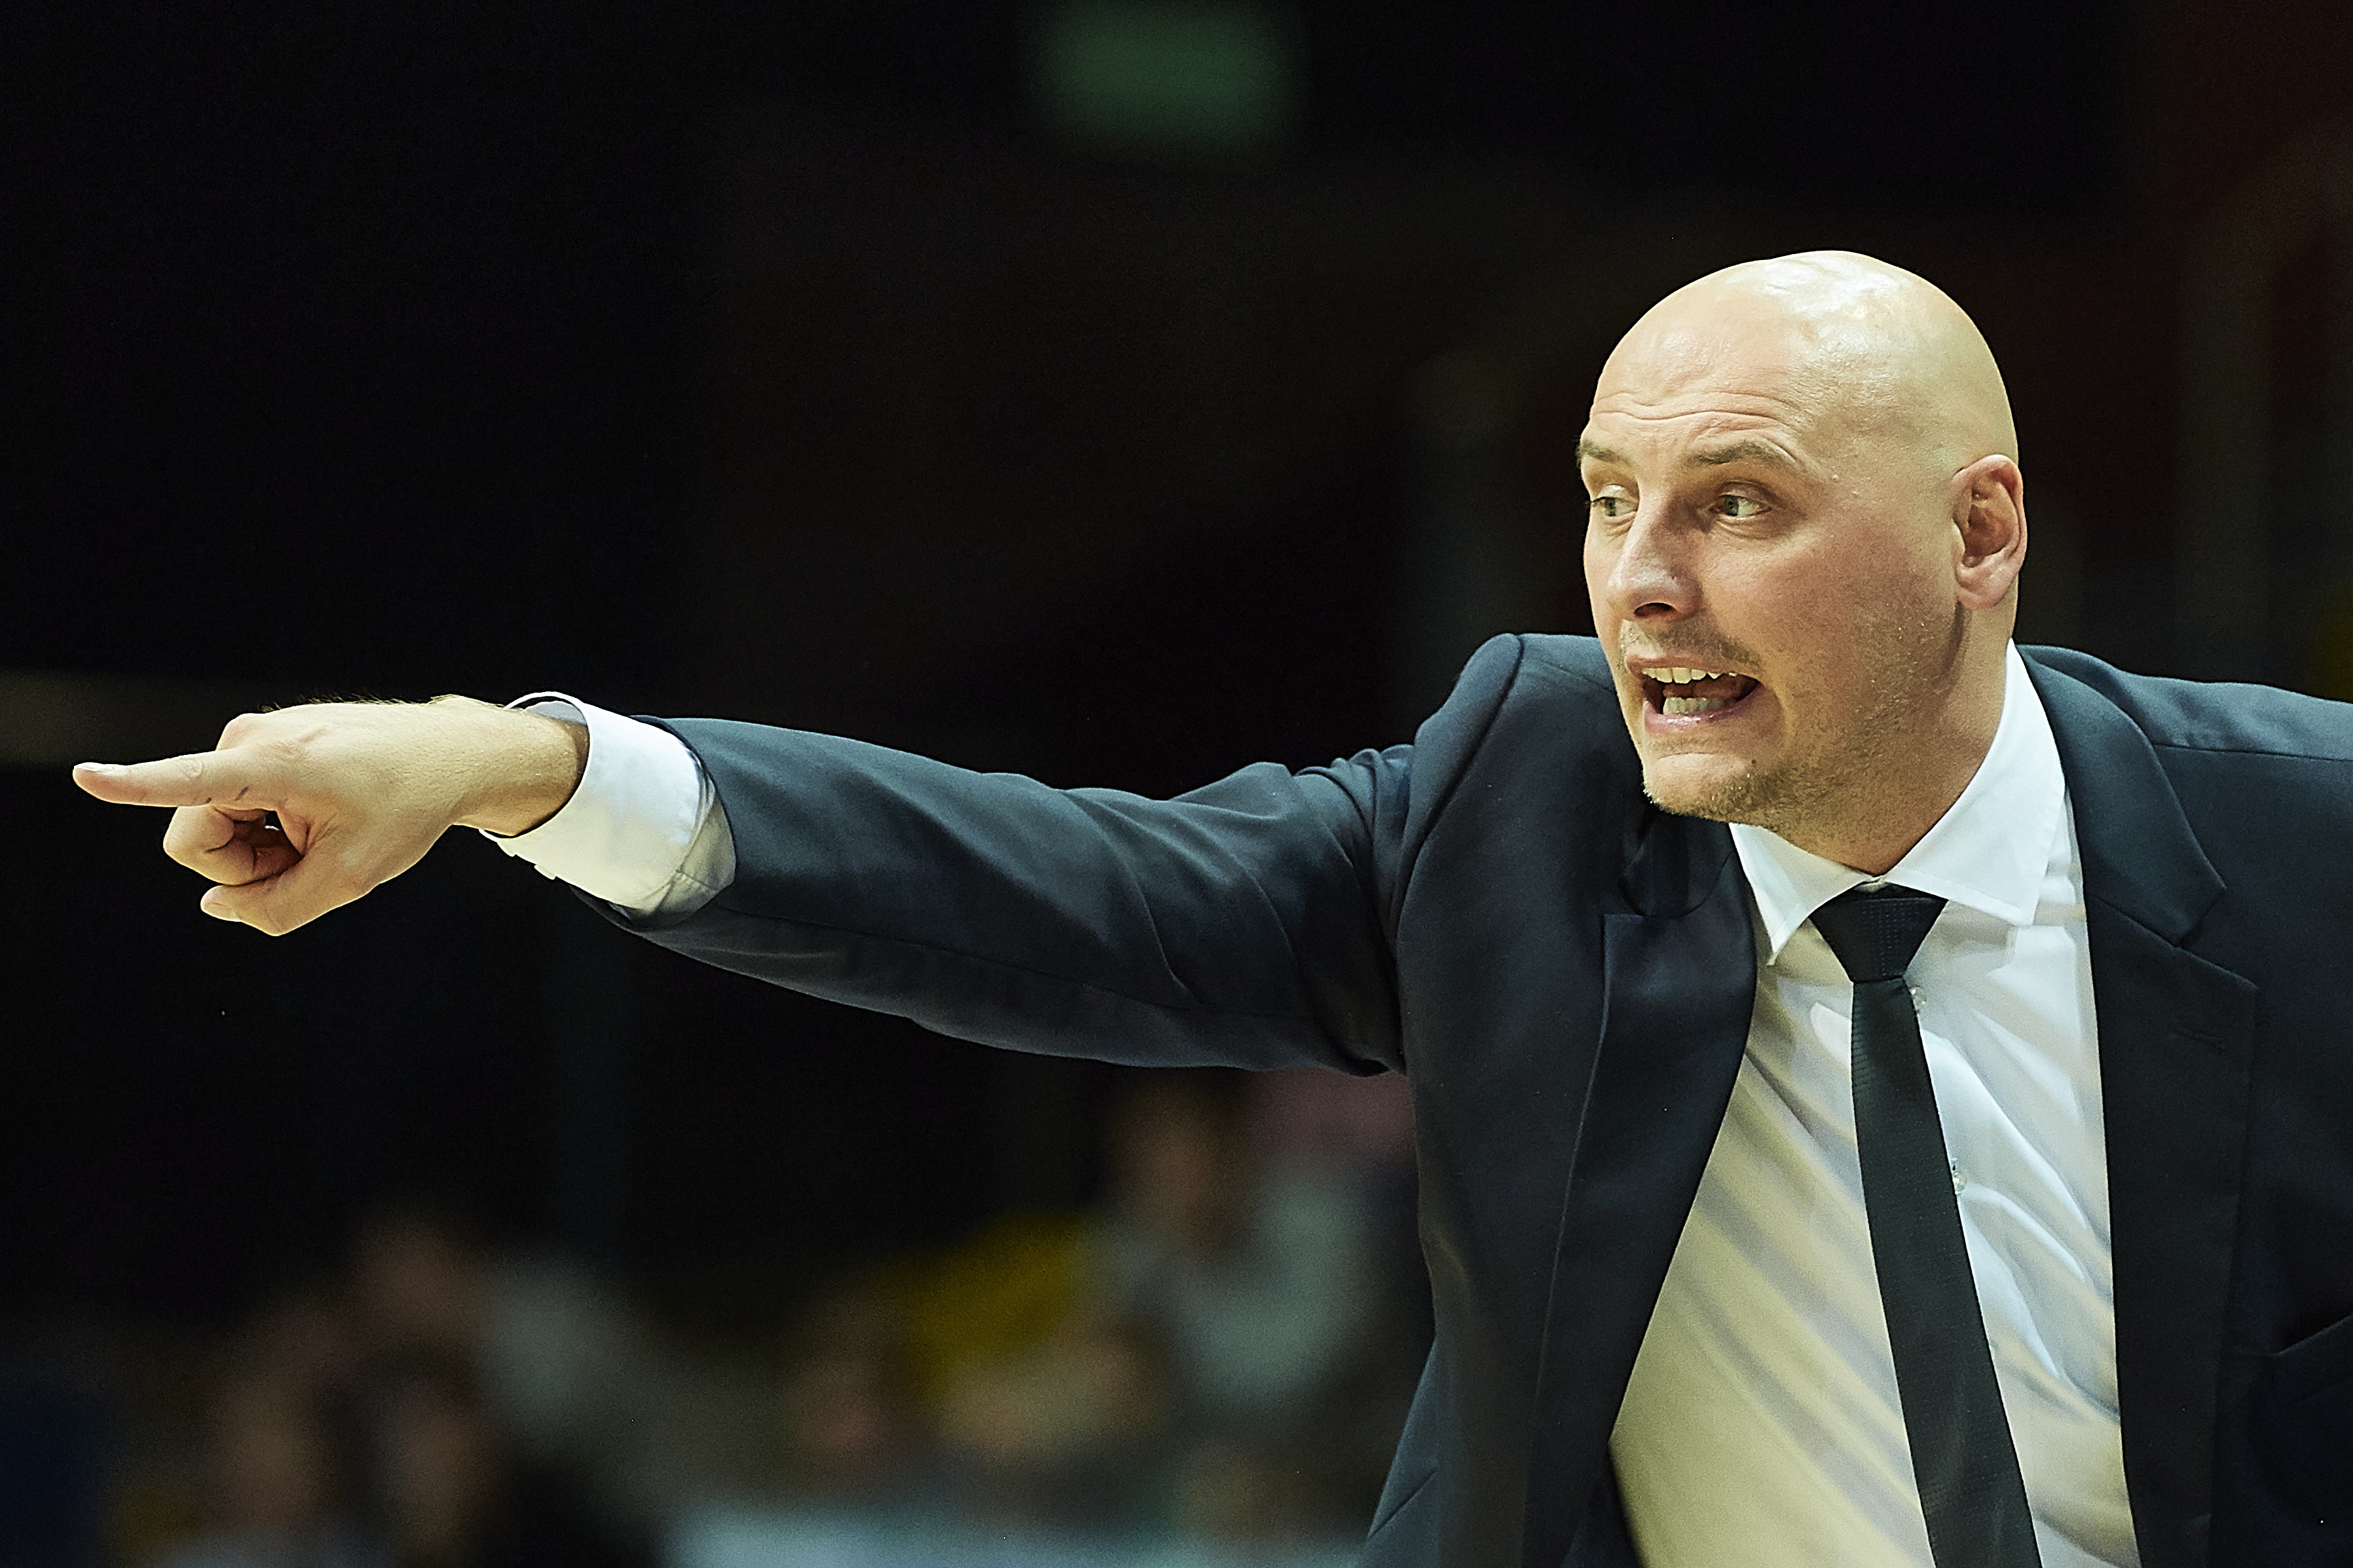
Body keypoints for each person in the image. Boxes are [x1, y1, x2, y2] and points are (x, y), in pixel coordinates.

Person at [72, 251, 2353, 1567]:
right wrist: (517, 763)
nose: (1640, 581)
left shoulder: (2299, 841)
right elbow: (1082, 897)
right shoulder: (1527, 797)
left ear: (1978, 533)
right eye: (1603, 497)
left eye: (1735, 503)